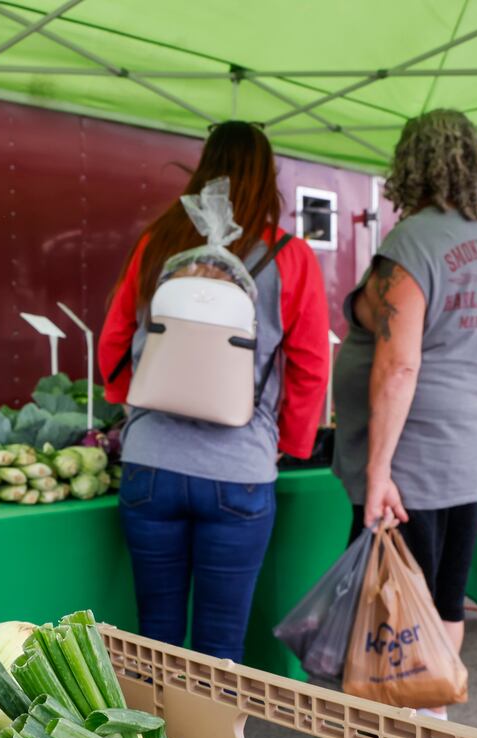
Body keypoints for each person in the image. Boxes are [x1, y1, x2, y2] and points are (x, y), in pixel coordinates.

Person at [99, 121, 330, 662]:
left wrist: (138, 398)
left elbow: (113, 340)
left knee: (155, 637)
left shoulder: (159, 242)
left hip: (150, 462)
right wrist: (289, 443)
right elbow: (311, 365)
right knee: (220, 647)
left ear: (205, 169)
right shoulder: (290, 256)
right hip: (239, 468)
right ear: (266, 178)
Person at [332, 109, 477, 672]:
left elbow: (398, 365)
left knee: (393, 594)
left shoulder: (414, 242)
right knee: (446, 594)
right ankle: (431, 718)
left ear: (409, 166)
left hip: (412, 458)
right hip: (475, 450)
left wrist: (378, 473)